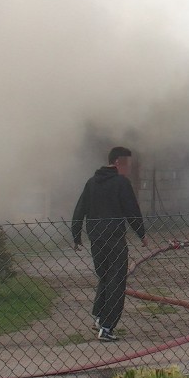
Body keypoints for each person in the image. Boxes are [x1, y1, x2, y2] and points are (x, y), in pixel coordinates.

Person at [71, 146, 149, 342]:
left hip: (96, 239)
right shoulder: (121, 183)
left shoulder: (91, 183)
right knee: (117, 282)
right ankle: (107, 327)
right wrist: (142, 234)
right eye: (127, 164)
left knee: (105, 277)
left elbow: (80, 208)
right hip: (115, 240)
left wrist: (76, 235)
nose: (128, 169)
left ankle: (98, 315)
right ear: (117, 163)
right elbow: (131, 210)